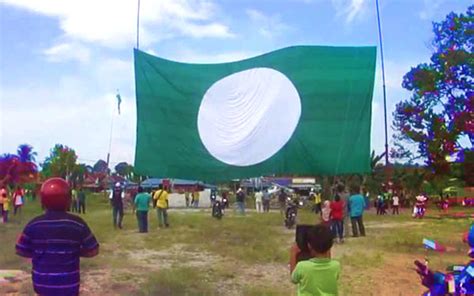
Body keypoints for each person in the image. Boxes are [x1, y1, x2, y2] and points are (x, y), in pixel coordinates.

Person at [16, 178, 99, 296]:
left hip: (42, 285)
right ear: (68, 200)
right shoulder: (77, 223)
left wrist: (39, 252)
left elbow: (20, 249)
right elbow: (93, 250)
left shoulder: (34, 224)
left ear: (43, 200)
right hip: (68, 285)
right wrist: (74, 251)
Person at [290, 224, 341, 295]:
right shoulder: (336, 266)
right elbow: (327, 262)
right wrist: (327, 250)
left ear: (309, 245)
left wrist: (293, 254)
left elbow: (293, 279)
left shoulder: (302, 266)